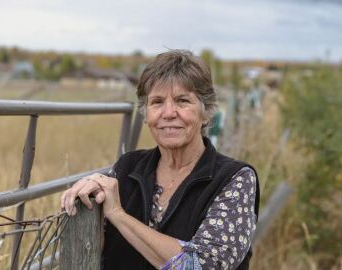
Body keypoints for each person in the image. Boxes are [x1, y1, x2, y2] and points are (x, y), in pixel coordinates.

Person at [61, 50, 260, 270]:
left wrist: (118, 215)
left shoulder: (235, 179)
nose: (168, 113)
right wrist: (90, 196)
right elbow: (93, 251)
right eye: (157, 102)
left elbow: (203, 266)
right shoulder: (128, 167)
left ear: (206, 111)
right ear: (146, 113)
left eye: (182, 101)